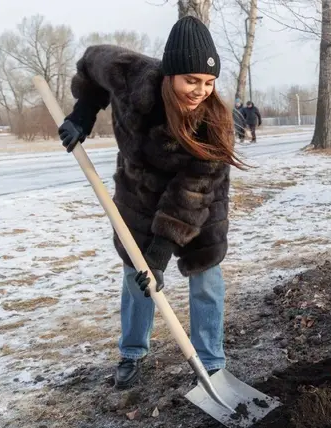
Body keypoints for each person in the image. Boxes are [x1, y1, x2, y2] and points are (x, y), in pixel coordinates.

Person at [57, 16, 249, 389]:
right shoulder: (129, 76)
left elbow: (190, 195)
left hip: (196, 203)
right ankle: (132, 352)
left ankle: (210, 362)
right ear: (169, 74)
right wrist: (82, 115)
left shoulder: (214, 124)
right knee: (135, 274)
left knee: (205, 274)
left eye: (209, 82)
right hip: (138, 192)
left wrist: (160, 254)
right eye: (191, 80)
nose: (200, 90)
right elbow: (89, 63)